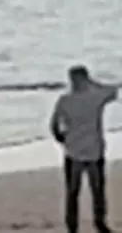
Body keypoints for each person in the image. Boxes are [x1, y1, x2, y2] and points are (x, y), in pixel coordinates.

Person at [49, 64, 118, 233]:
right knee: (97, 191)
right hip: (93, 151)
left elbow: (54, 126)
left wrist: (63, 139)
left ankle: (72, 226)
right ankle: (99, 222)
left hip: (74, 151)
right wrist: (94, 83)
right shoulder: (95, 97)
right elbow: (113, 91)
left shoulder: (65, 100)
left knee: (73, 192)